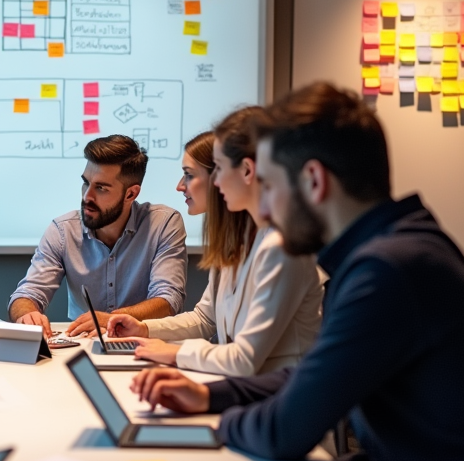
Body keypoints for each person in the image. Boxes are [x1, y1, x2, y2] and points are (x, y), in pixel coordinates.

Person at [123, 83, 464, 461]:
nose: (262, 205)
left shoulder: (389, 270)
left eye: (268, 185)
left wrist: (212, 428)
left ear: (313, 181)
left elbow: (287, 428)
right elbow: (315, 374)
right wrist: (210, 398)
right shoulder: (394, 249)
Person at [107, 110, 323, 376]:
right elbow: (205, 319)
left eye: (217, 169)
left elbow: (244, 358)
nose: (180, 186)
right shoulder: (235, 241)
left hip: (279, 399)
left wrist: (175, 352)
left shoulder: (283, 246)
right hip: (247, 389)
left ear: (246, 171)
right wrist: (145, 329)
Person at [8, 134, 187, 338]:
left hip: (146, 343)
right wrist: (27, 313)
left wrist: (113, 319)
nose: (87, 197)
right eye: (86, 183)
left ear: (131, 194)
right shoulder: (62, 230)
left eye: (101, 188)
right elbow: (27, 294)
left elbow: (168, 299)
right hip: (85, 343)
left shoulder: (163, 224)